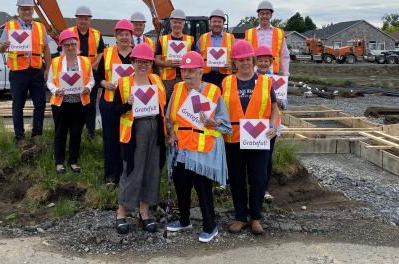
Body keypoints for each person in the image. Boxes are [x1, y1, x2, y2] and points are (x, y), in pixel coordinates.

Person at [165, 51, 231, 243]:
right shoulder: (177, 89)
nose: (187, 75)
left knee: (202, 189)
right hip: (181, 149)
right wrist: (171, 133)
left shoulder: (213, 91)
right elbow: (170, 117)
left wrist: (212, 121)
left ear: (201, 72)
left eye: (191, 71)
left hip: (202, 151)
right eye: (184, 71)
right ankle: (184, 220)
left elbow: (225, 124)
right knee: (181, 186)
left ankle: (210, 226)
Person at [221, 40, 279, 235]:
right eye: (240, 60)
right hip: (233, 139)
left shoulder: (266, 82)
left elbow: (274, 108)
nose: (245, 63)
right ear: (234, 62)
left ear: (253, 60)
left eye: (248, 59)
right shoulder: (226, 82)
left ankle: (255, 217)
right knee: (236, 179)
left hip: (258, 137)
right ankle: (240, 216)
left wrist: (273, 125)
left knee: (258, 178)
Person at [112, 43, 166, 234]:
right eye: (139, 61)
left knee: (152, 171)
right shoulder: (123, 83)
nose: (143, 64)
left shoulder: (157, 80)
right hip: (134, 133)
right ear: (133, 62)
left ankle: (144, 212)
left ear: (151, 62)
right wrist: (127, 104)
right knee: (132, 171)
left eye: (147, 61)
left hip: (155, 130)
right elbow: (113, 110)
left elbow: (163, 107)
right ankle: (121, 212)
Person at [0, 0, 51, 148]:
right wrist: (4, 45)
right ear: (18, 10)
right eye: (23, 9)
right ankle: (20, 137)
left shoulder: (40, 27)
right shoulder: (10, 26)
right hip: (18, 73)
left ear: (33, 10)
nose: (27, 12)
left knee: (40, 103)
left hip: (35, 71)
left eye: (29, 9)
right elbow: (0, 49)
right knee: (18, 105)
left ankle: (37, 134)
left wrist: (47, 68)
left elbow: (46, 49)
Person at [47, 30, 94, 173]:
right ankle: (59, 162)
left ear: (77, 45)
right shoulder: (55, 62)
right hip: (61, 103)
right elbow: (49, 82)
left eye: (73, 44)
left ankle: (73, 161)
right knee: (60, 133)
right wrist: (55, 91)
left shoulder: (85, 61)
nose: (71, 47)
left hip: (79, 103)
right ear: (62, 46)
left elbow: (91, 80)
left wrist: (87, 88)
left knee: (76, 133)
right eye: (67, 45)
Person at [96, 19, 134, 184]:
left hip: (131, 104)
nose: (124, 37)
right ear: (116, 36)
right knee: (110, 139)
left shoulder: (138, 54)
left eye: (127, 34)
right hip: (110, 103)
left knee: (129, 140)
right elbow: (97, 77)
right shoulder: (107, 53)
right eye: (121, 34)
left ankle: (127, 174)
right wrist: (105, 84)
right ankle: (111, 175)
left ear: (131, 36)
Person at [254, 45, 287, 202]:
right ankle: (250, 186)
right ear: (256, 61)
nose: (263, 64)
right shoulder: (249, 78)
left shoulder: (278, 80)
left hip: (271, 124)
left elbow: (284, 104)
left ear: (271, 62)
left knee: (267, 157)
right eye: (260, 60)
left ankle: (264, 188)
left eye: (266, 61)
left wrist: (280, 101)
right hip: (252, 123)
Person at [67, 6, 104, 140]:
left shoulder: (97, 34)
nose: (83, 21)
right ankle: (74, 133)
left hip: (91, 75)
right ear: (76, 19)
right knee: (74, 104)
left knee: (90, 104)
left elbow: (101, 53)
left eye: (86, 19)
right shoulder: (69, 32)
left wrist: (92, 67)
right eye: (81, 18)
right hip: (73, 74)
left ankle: (90, 133)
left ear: (89, 20)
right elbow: (62, 52)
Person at [155, 9, 195, 100]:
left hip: (185, 77)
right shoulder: (162, 39)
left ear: (183, 24)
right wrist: (167, 64)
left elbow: (195, 61)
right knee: (168, 102)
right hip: (167, 79)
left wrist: (186, 63)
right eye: (175, 22)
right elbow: (156, 60)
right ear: (170, 23)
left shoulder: (190, 40)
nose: (177, 25)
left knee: (183, 101)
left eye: (180, 23)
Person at [244, 1, 290, 76]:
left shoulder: (279, 33)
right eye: (262, 13)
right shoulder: (249, 33)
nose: (264, 16)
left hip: (274, 74)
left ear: (271, 15)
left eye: (267, 13)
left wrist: (285, 74)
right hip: (253, 73)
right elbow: (244, 55)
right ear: (258, 15)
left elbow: (284, 56)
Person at [197, 9, 235, 86]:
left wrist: (232, 65)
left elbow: (237, 57)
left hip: (225, 75)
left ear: (223, 24)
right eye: (214, 21)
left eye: (219, 22)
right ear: (210, 23)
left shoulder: (231, 38)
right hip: (206, 76)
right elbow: (197, 57)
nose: (217, 24)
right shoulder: (202, 38)